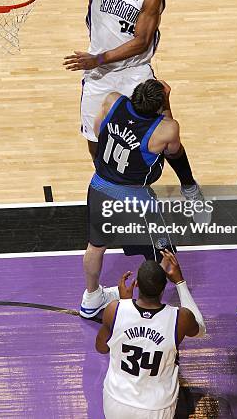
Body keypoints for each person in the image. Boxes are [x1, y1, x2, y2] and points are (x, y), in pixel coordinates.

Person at [14, 0, 202, 199]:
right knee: (95, 138)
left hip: (134, 72)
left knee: (167, 131)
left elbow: (142, 42)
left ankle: (189, 184)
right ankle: (113, 186)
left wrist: (99, 58)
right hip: (99, 74)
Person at [81, 78, 201, 319]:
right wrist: (166, 101)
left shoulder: (112, 101)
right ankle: (150, 304)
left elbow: (97, 132)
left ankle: (92, 298)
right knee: (162, 251)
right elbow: (173, 149)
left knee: (96, 246)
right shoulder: (165, 129)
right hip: (134, 197)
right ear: (158, 105)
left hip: (99, 186)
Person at [96, 249, 206, 419]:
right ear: (164, 287)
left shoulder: (115, 309)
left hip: (116, 401)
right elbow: (200, 330)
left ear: (136, 284)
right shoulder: (180, 318)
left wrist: (124, 303)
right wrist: (180, 282)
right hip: (155, 408)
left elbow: (101, 347)